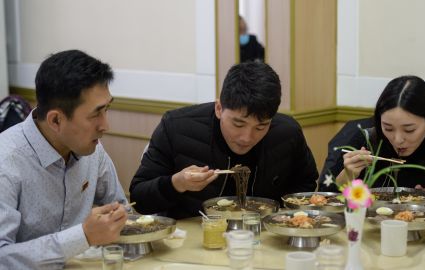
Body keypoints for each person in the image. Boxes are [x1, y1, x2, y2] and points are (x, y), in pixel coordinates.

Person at [130, 61, 318, 219]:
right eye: (238, 124)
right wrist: (176, 184)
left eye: (260, 127)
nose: (247, 138)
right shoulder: (176, 127)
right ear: (219, 108)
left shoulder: (288, 133)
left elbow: (305, 185)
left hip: (263, 237)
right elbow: (139, 200)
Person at [0, 50, 128, 269]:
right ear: (56, 120)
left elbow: (119, 206)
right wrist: (83, 236)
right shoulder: (6, 162)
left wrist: (117, 218)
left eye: (107, 108)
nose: (105, 125)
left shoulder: (92, 150)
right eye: (96, 113)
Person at [325, 75, 425, 209]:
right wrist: (348, 175)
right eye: (388, 128)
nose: (398, 140)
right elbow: (324, 199)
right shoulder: (365, 140)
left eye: (409, 130)